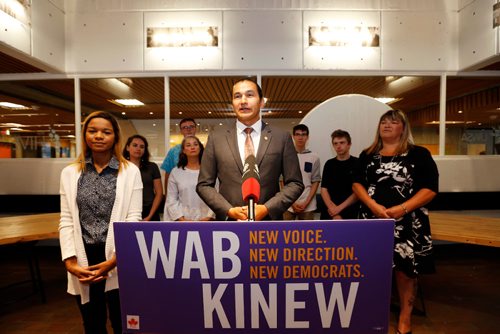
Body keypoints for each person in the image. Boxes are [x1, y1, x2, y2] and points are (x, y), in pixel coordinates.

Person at [352, 109, 439, 334]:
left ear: (403, 128)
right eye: (383, 122)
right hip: (372, 220)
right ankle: (369, 313)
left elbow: (430, 189)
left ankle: (404, 319)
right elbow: (356, 184)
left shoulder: (419, 154)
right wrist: (374, 206)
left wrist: (402, 208)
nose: (387, 125)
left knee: (405, 271)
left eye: (393, 122)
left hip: (408, 222)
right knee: (370, 267)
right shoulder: (368, 154)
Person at [59, 111, 143, 333]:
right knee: (92, 322)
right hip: (83, 258)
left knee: (122, 321)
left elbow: (133, 218)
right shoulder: (70, 173)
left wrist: (116, 259)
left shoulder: (130, 171)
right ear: (84, 134)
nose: (98, 136)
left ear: (115, 137)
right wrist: (70, 262)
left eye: (105, 132)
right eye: (92, 131)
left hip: (117, 258)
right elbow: (66, 219)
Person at [196, 78, 304, 221]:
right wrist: (228, 210)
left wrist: (267, 208)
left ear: (261, 102)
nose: (243, 101)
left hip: (268, 225)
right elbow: (204, 185)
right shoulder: (216, 138)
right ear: (233, 104)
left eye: (250, 95)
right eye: (237, 96)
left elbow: (295, 183)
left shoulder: (281, 137)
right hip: (229, 225)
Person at [165, 136, 214, 221]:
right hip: (183, 220)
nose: (192, 147)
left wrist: (208, 217)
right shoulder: (176, 172)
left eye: (195, 144)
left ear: (200, 148)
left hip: (207, 220)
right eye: (188, 145)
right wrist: (182, 219)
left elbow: (217, 196)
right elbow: (171, 199)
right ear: (183, 150)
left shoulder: (210, 170)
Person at [283, 124, 321, 220]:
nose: (300, 137)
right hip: (288, 204)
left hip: (308, 204)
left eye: (303, 134)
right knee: (285, 233)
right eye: (297, 134)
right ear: (293, 136)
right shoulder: (286, 155)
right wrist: (291, 202)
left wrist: (306, 202)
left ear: (307, 137)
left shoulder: (314, 157)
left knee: (308, 234)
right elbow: (281, 181)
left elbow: (316, 181)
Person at [320, 129, 359, 219]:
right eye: (335, 143)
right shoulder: (329, 164)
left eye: (342, 142)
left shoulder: (358, 163)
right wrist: (333, 210)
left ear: (349, 144)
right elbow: (324, 189)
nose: (338, 146)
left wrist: (338, 209)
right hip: (329, 212)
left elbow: (358, 192)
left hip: (350, 211)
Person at [123, 134, 163, 221]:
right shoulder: (121, 168)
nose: (138, 149)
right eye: (135, 145)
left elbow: (159, 193)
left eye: (142, 147)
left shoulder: (152, 167)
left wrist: (150, 216)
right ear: (127, 148)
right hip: (127, 212)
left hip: (150, 212)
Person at [161, 118, 197, 193]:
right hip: (178, 192)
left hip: (198, 190)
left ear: (195, 129)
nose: (188, 129)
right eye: (185, 127)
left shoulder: (204, 151)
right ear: (181, 131)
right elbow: (168, 175)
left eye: (191, 127)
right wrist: (167, 198)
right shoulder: (173, 151)